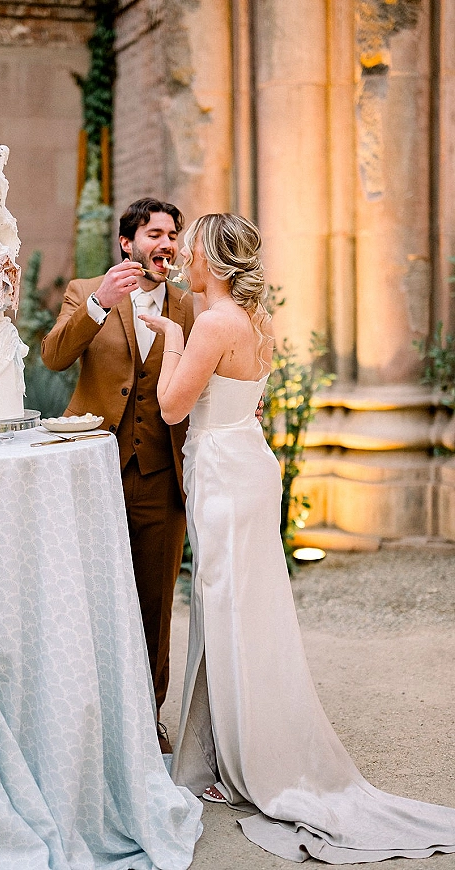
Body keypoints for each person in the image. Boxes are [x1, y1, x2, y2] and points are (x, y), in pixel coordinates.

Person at [139, 212, 455, 863]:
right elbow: (245, 400)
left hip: (224, 474)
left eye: (195, 246)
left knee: (226, 612)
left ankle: (237, 760)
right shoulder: (254, 321)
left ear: (213, 262)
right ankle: (221, 749)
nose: (189, 256)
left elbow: (172, 406)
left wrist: (172, 333)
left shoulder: (215, 323)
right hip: (246, 464)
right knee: (244, 610)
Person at [41, 198, 193, 753]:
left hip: (160, 477)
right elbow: (54, 356)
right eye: (155, 233)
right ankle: (90, 719)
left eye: (173, 234)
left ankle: (147, 720)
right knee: (88, 600)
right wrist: (101, 304)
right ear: (127, 243)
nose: (167, 243)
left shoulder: (189, 303)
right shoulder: (86, 290)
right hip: (93, 473)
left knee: (154, 606)